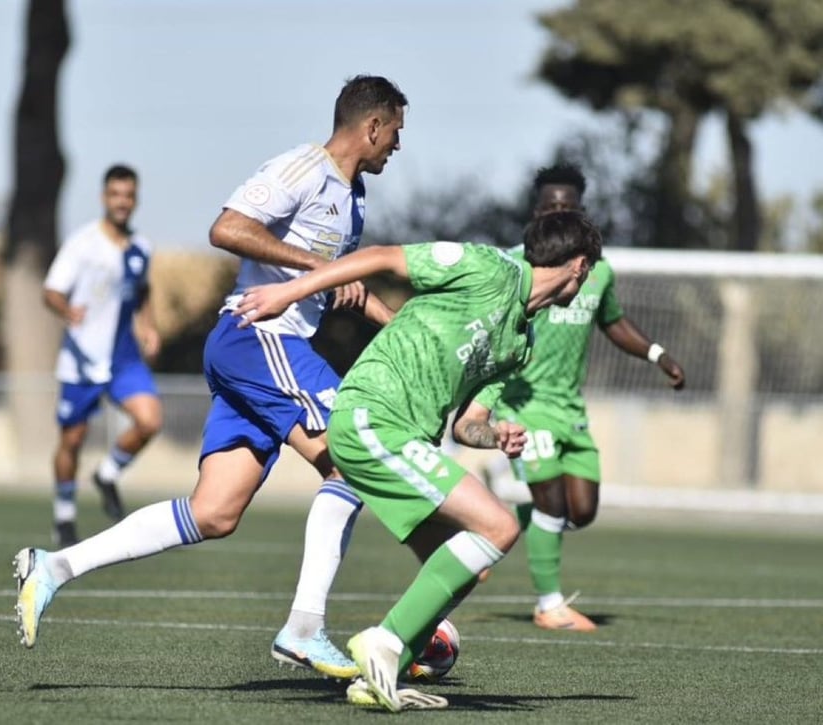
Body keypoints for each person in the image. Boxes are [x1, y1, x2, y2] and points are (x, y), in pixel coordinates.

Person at [13, 76, 405, 680]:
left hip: (258, 352)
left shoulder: (352, 197)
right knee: (350, 460)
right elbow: (227, 228)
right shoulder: (304, 168)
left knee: (214, 513)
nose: (396, 149)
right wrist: (317, 268)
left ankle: (54, 566)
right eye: (395, 134)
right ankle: (304, 629)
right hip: (258, 338)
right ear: (373, 126)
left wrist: (400, 325)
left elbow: (340, 285)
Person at [230, 209, 604, 712]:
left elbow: (466, 425)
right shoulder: (487, 267)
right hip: (372, 415)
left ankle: (381, 673)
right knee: (498, 526)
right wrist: (287, 292)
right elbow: (381, 258)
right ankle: (384, 642)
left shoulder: (521, 344)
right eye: (589, 273)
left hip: (409, 439)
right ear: (579, 266)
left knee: (470, 560)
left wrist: (496, 436)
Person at [493, 163, 686, 632]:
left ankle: (494, 522)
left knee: (581, 510)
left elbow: (613, 323)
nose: (557, 212)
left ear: (580, 212)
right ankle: (549, 605)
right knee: (551, 504)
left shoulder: (596, 273)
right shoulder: (513, 265)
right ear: (536, 211)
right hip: (522, 405)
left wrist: (657, 354)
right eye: (549, 206)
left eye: (568, 206)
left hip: (570, 409)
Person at [42, 165, 163, 547]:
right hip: (82, 359)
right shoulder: (83, 244)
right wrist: (66, 311)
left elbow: (142, 291)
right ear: (103, 198)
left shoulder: (141, 248)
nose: (122, 202)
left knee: (150, 420)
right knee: (72, 440)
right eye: (115, 195)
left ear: (136, 199)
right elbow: (51, 291)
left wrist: (148, 326)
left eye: (128, 195)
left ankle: (107, 473)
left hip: (123, 358)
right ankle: (64, 516)